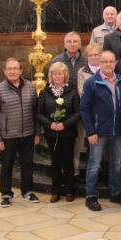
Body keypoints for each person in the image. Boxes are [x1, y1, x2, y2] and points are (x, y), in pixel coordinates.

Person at [0, 58, 40, 207]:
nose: (12, 71)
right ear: (4, 71)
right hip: (7, 136)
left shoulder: (30, 87)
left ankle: (27, 191)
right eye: (9, 69)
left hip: (28, 134)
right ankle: (6, 194)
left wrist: (37, 132)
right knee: (7, 166)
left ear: (21, 70)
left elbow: (35, 112)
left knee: (27, 165)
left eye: (15, 68)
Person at [80, 51, 121, 211]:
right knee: (94, 165)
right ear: (99, 63)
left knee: (116, 165)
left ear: (115, 63)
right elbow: (85, 109)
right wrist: (90, 131)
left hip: (116, 132)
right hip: (98, 132)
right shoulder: (92, 82)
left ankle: (115, 193)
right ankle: (91, 196)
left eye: (111, 61)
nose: (109, 64)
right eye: (105, 61)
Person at [36, 62, 80, 203]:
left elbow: (78, 113)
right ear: (51, 75)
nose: (57, 76)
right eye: (55, 73)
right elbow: (38, 113)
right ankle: (55, 191)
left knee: (67, 161)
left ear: (65, 75)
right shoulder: (44, 92)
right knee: (55, 162)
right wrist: (50, 124)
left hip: (68, 133)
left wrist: (64, 124)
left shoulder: (72, 92)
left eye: (60, 73)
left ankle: (69, 190)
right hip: (51, 133)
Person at [76, 43, 103, 175]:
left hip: (104, 113)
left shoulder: (105, 69)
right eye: (91, 55)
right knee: (91, 144)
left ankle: (102, 173)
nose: (93, 57)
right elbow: (81, 91)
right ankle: (91, 174)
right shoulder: (82, 71)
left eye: (96, 54)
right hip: (89, 112)